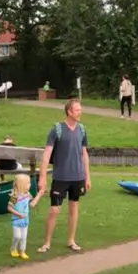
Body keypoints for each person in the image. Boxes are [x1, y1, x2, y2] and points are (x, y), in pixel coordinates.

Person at [37, 98, 90, 254]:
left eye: (80, 109)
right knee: (55, 210)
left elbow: (84, 153)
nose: (80, 112)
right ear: (69, 112)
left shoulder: (82, 129)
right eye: (77, 110)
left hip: (78, 177)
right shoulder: (57, 129)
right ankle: (47, 242)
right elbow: (47, 153)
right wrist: (42, 176)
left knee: (74, 207)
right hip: (60, 177)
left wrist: (87, 176)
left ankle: (71, 240)